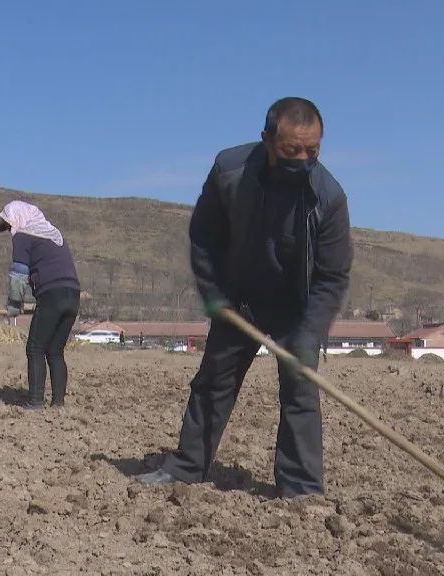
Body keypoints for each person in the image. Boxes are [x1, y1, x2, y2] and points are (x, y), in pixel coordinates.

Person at [137, 97, 353, 497]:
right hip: (240, 300)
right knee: (213, 382)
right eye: (292, 150)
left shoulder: (328, 198)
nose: (303, 159)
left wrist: (310, 334)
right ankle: (186, 468)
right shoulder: (230, 171)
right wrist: (214, 293)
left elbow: (332, 275)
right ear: (268, 140)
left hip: (296, 306)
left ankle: (301, 487)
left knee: (300, 389)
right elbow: (204, 235)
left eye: (313, 151)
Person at [0, 200, 81, 409]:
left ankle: (35, 402)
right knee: (55, 351)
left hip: (52, 294)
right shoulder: (53, 233)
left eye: (8, 226)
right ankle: (58, 402)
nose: (9, 231)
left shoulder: (24, 236)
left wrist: (14, 304)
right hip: (72, 295)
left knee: (35, 348)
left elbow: (18, 274)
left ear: (18, 219)